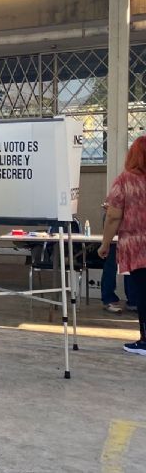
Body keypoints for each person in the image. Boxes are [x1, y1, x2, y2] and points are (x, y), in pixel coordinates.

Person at [98, 135, 146, 355]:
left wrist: (105, 244)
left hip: (137, 247)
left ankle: (145, 341)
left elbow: (113, 217)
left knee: (143, 294)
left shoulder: (125, 180)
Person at [99, 201, 139, 314]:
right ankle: (109, 299)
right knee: (112, 262)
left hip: (135, 226)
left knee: (133, 264)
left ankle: (133, 300)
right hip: (117, 222)